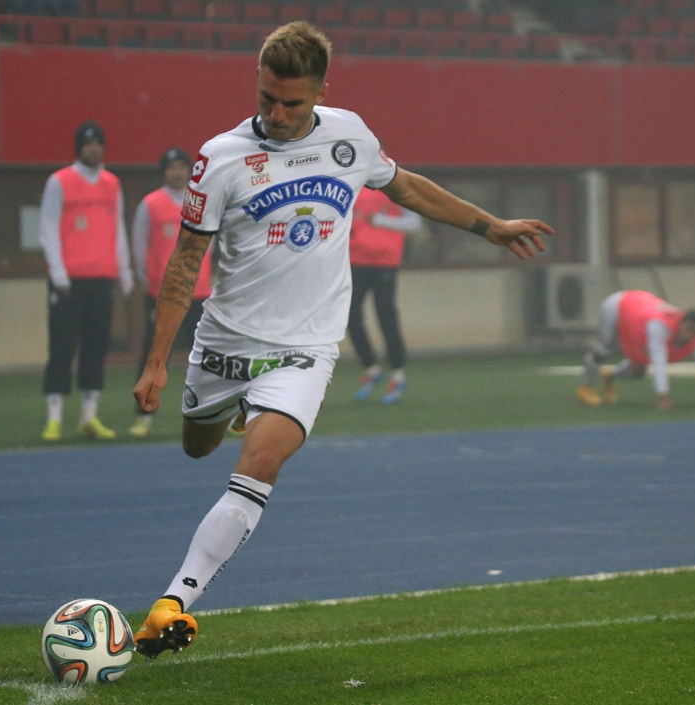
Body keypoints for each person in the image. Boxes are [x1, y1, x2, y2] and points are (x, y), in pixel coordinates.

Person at [131, 21, 554, 659]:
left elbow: (405, 184)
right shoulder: (219, 157)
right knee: (198, 446)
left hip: (307, 347)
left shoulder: (350, 136)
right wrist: (158, 361)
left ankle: (172, 603)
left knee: (261, 464)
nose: (275, 113)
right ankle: (235, 408)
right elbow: (186, 262)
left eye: (292, 102)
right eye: (267, 97)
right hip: (224, 343)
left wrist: (488, 226)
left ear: (322, 91)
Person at [39, 120, 133, 442]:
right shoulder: (60, 181)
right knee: (62, 347)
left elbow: (118, 228)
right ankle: (54, 418)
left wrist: (124, 271)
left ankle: (89, 417)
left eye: (98, 143)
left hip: (101, 279)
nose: (94, 148)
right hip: (68, 281)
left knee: (96, 348)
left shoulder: (112, 184)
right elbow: (47, 228)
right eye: (88, 143)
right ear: (79, 147)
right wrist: (58, 274)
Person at [128, 147, 214, 438]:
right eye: (171, 167)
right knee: (153, 357)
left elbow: (211, 244)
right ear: (163, 171)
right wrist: (143, 277)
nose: (177, 172)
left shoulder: (200, 203)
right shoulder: (150, 204)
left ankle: (211, 414)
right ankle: (144, 416)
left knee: (207, 355)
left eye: (182, 166)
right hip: (163, 294)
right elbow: (139, 245)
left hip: (199, 291)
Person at [577, 290, 695, 410]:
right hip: (619, 305)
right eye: (689, 329)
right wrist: (663, 397)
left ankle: (610, 376)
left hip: (639, 319)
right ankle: (586, 387)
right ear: (682, 322)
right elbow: (659, 362)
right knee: (603, 348)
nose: (691, 335)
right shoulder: (660, 326)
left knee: (638, 371)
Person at [347, 185, 423, 404]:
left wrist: (381, 220)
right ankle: (371, 368)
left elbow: (414, 223)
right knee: (350, 317)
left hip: (384, 263)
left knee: (386, 317)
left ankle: (398, 374)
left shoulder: (397, 189)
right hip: (355, 261)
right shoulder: (353, 188)